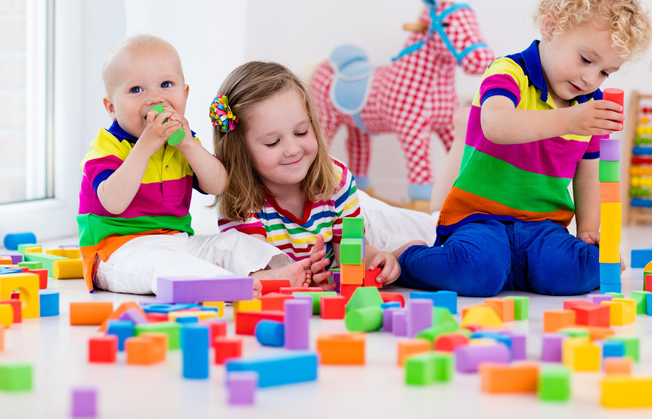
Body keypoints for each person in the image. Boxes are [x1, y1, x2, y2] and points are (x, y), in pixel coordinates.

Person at [393, 0, 652, 297]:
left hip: (544, 226)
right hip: (479, 218)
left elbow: (588, 175)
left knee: (578, 272)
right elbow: (496, 125)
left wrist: (588, 231)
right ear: (552, 25)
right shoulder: (509, 72)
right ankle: (408, 256)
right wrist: (570, 121)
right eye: (586, 60)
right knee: (479, 275)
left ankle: (524, 268)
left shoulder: (588, 103)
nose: (591, 79)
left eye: (606, 72)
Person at [76, 34, 312, 295]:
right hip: (117, 253)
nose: (155, 98)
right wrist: (146, 145)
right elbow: (114, 202)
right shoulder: (106, 146)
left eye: (166, 84)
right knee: (168, 265)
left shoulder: (182, 142)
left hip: (177, 241)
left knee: (233, 242)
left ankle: (271, 275)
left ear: (185, 94)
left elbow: (218, 184)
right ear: (111, 107)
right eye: (136, 90)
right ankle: (235, 288)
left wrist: (188, 144)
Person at [213, 60, 414, 289]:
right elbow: (259, 278)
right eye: (273, 142)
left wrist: (377, 259)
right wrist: (307, 278)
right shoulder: (238, 196)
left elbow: (353, 256)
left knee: (423, 239)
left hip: (372, 215)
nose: (292, 149)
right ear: (241, 151)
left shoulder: (337, 179)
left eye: (301, 132)